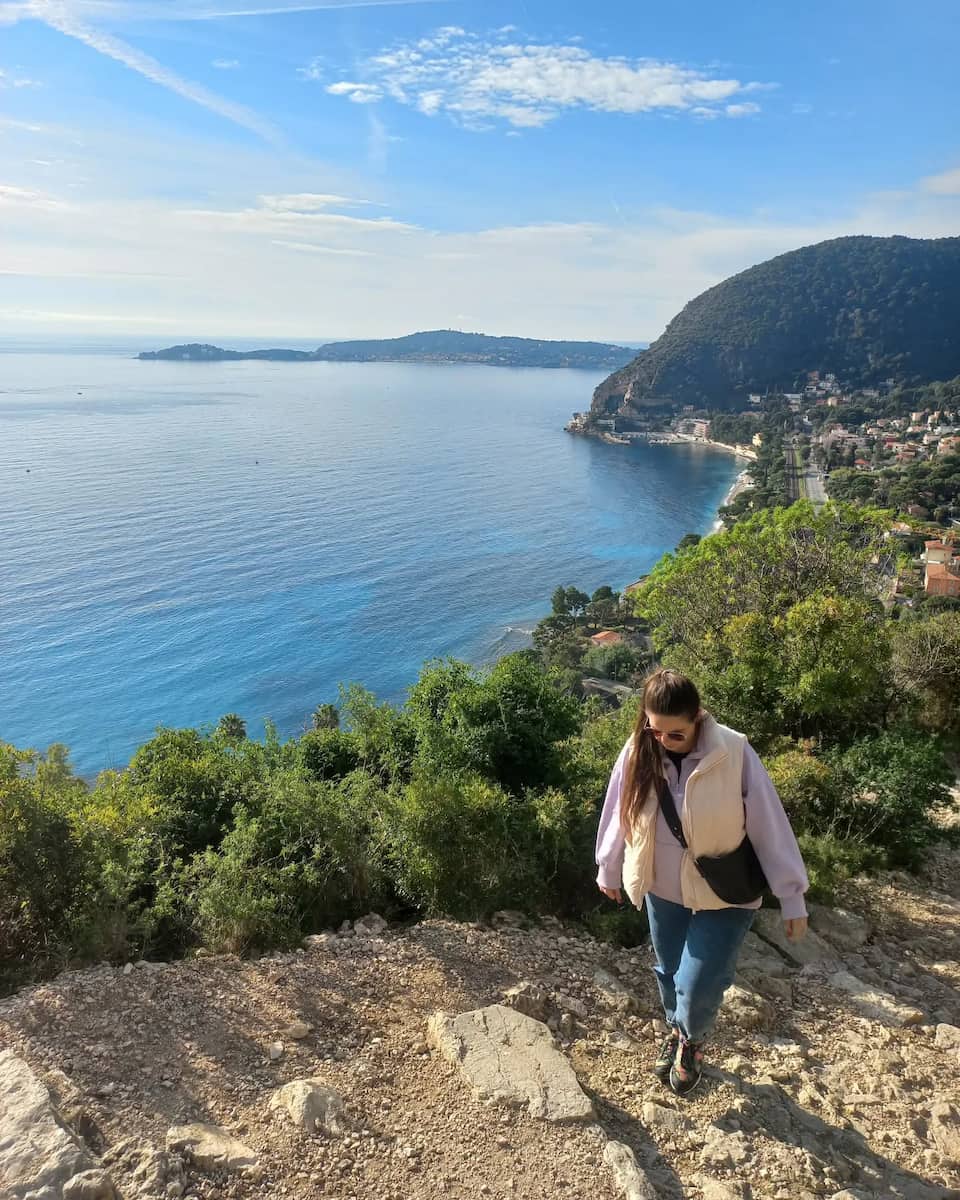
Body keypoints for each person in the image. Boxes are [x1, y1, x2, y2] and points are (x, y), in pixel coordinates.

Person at [595, 667, 809, 1097]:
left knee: (697, 983)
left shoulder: (733, 751)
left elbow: (770, 824)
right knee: (668, 970)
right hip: (662, 884)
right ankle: (675, 1031)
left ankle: (690, 1039)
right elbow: (620, 807)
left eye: (674, 734)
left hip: (725, 890)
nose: (662, 741)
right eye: (654, 731)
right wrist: (609, 865)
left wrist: (792, 896)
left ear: (697, 719)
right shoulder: (640, 748)